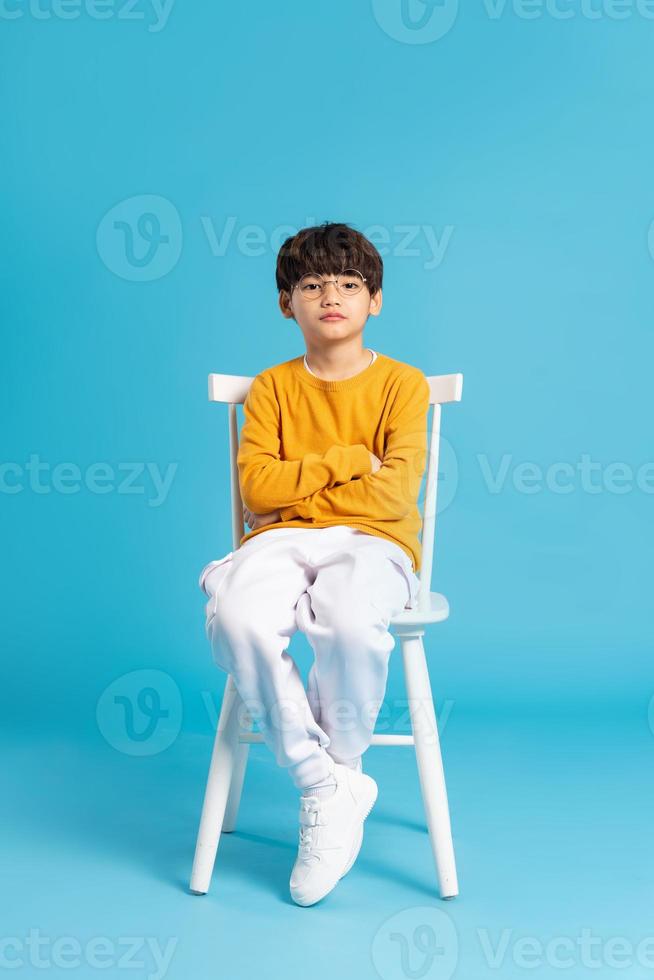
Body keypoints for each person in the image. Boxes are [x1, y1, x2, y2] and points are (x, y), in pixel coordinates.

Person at [199, 221, 430, 906]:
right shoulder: (271, 390)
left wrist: (305, 479)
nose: (332, 295)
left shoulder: (403, 385)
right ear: (286, 303)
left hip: (373, 541)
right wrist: (352, 460)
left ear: (375, 301)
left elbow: (393, 496)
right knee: (237, 615)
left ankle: (340, 766)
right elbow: (258, 494)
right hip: (277, 538)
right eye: (312, 285)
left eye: (350, 284)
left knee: (354, 621)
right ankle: (322, 781)